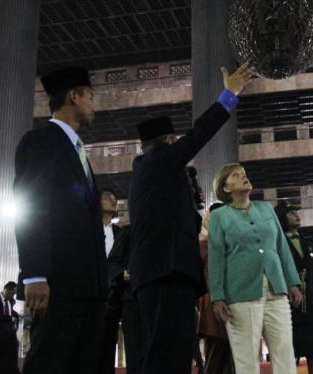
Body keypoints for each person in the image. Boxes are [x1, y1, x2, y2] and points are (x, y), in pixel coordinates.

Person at [128, 63, 255, 374]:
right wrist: (229, 95)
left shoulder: (152, 174)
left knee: (171, 353)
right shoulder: (158, 161)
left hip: (168, 274)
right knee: (163, 353)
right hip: (165, 273)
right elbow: (199, 134)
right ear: (170, 142)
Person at [13, 66, 108, 374]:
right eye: (90, 96)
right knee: (50, 363)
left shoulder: (78, 150)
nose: (94, 104)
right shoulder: (40, 141)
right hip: (58, 284)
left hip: (89, 287)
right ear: (74, 96)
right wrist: (35, 274)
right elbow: (30, 205)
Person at [208, 163, 302, 374]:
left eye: (244, 174)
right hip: (240, 293)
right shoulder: (219, 216)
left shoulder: (266, 208)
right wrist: (218, 296)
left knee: (285, 352)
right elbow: (216, 258)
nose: (243, 177)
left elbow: (281, 248)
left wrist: (293, 282)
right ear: (226, 188)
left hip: (276, 289)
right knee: (247, 358)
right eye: (236, 175)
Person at [275, 201, 313, 374]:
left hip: (310, 308)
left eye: (296, 211)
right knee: (288, 355)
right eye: (291, 213)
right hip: (288, 307)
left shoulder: (308, 244)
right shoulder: (276, 243)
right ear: (282, 218)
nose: (296, 215)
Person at [196, 202, 236, 374]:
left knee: (234, 360)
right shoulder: (202, 246)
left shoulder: (233, 244)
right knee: (216, 358)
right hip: (213, 305)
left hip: (235, 301)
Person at [105, 223, 143, 374]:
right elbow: (113, 263)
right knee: (135, 353)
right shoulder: (128, 230)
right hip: (132, 298)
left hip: (160, 298)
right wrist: (124, 273)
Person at [100, 188, 124, 374]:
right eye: (107, 197)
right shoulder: (86, 231)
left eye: (114, 199)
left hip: (114, 295)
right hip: (92, 293)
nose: (112, 200)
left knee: (109, 344)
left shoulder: (120, 233)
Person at [0, 282, 20, 374]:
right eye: (13, 293)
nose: (13, 296)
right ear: (7, 290)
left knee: (10, 363)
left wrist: (16, 318)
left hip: (9, 338)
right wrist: (10, 318)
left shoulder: (11, 302)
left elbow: (13, 313)